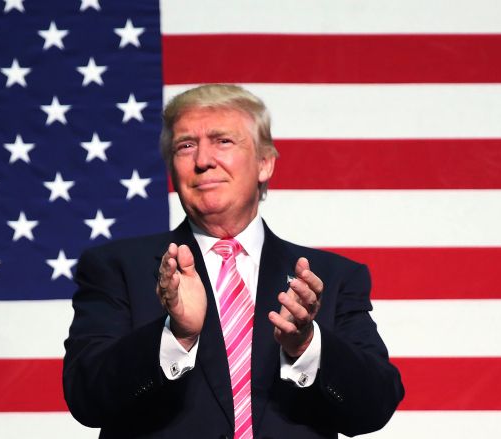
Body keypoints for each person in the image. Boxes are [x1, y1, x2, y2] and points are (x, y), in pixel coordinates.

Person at [63, 84, 404, 439]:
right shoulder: (116, 268)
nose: (203, 160)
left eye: (223, 141)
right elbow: (87, 400)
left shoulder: (330, 277)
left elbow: (375, 408)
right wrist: (175, 335)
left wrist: (307, 346)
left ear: (264, 163)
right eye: (186, 145)